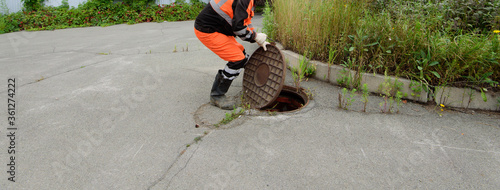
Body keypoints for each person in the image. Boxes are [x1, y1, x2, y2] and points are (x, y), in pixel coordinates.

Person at [194, 0, 270, 110]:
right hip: (207, 30)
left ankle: (254, 82)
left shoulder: (250, 1)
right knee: (237, 60)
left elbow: (245, 21)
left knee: (242, 55)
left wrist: (257, 37)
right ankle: (217, 96)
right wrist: (254, 37)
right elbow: (239, 29)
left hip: (218, 29)